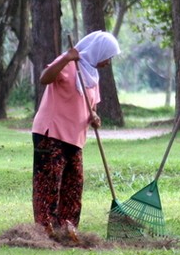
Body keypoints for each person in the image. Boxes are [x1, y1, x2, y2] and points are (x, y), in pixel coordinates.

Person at [31, 30, 121, 240]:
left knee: (74, 184)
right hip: (51, 133)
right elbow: (45, 78)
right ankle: (45, 230)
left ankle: (67, 228)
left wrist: (94, 118)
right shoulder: (68, 63)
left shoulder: (92, 75)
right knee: (50, 183)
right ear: (98, 51)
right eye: (108, 56)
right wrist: (65, 58)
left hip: (75, 138)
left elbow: (90, 108)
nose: (108, 62)